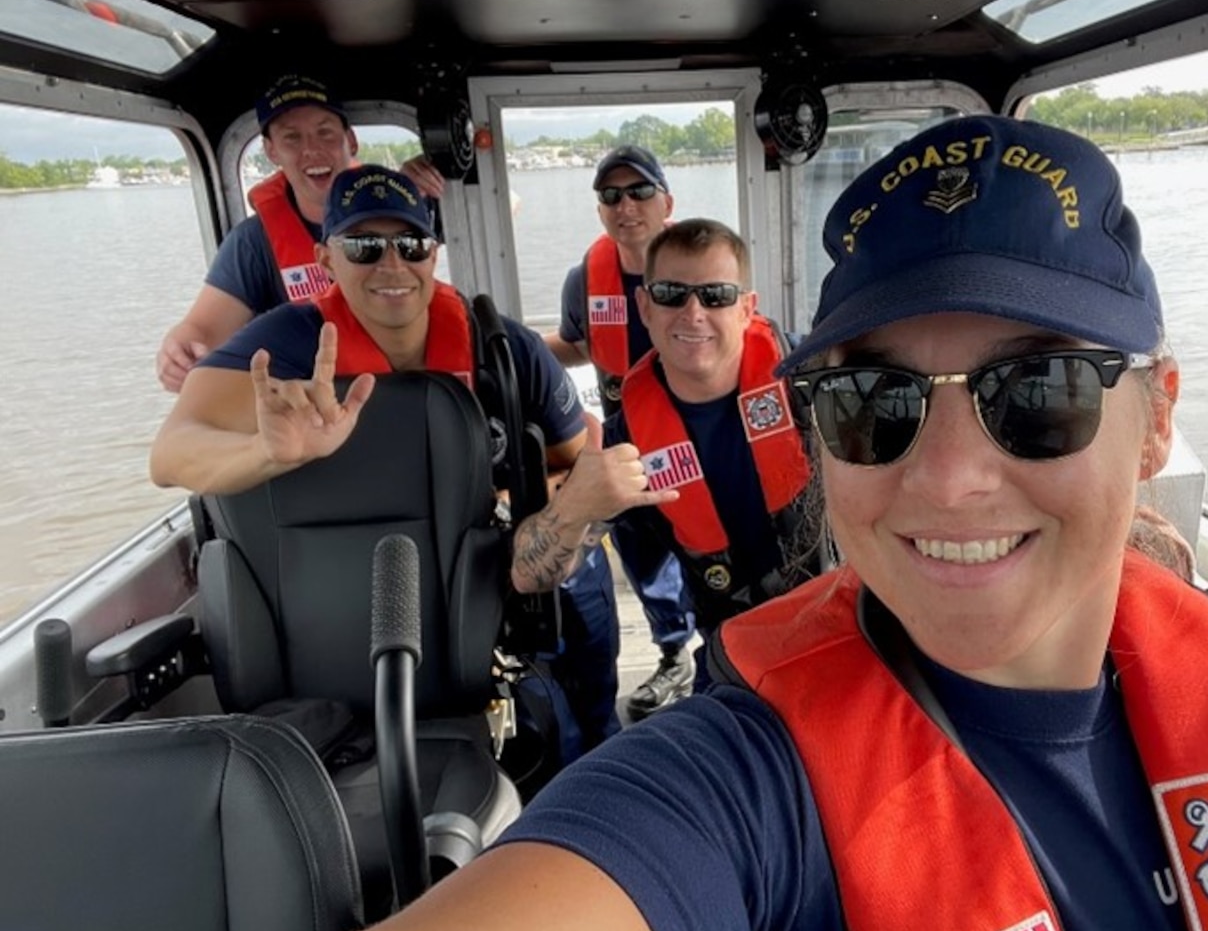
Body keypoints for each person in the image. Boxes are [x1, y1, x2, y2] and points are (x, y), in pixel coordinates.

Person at [8, 116, 1208, 931]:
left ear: (1158, 419)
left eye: (1042, 392)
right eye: (877, 405)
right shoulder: (735, 793)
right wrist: (559, 504)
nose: (946, 475)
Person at [149, 163, 640, 755]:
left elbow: (577, 464)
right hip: (341, 604)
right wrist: (267, 453)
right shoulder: (287, 345)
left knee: (582, 617)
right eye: (364, 245)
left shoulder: (504, 351)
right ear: (326, 259)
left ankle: (600, 743)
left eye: (410, 244)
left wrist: (524, 511)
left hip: (491, 573)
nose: (392, 264)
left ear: (433, 254)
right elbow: (171, 453)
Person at [515, 217, 830, 690]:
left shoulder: (819, 387)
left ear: (747, 308)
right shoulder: (627, 445)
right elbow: (527, 576)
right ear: (644, 306)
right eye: (670, 294)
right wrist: (573, 507)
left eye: (716, 295)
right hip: (736, 652)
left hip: (850, 623)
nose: (693, 312)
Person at [154, 73, 444, 393]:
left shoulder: (409, 207)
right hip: (307, 410)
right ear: (271, 151)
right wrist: (179, 352)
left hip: (414, 393)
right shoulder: (253, 243)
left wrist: (426, 184)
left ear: (351, 141)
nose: (312, 150)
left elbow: (502, 203)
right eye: (292, 137)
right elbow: (202, 331)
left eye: (325, 133)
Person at [545, 144, 699, 719]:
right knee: (643, 553)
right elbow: (577, 343)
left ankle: (726, 656)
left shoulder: (699, 261)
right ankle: (674, 653)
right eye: (610, 195)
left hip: (700, 435)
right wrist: (512, 353)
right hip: (629, 444)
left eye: (639, 191)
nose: (625, 205)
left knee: (713, 546)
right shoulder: (583, 280)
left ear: (666, 202)